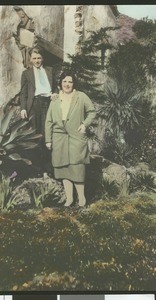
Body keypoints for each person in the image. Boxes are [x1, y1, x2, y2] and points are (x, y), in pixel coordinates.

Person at [45, 71, 96, 207]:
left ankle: (82, 199)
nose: (67, 84)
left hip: (76, 136)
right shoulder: (55, 100)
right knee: (63, 169)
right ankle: (69, 199)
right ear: (60, 83)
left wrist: (84, 124)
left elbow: (92, 112)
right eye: (64, 81)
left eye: (70, 81)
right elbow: (49, 121)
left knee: (77, 168)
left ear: (74, 83)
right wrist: (48, 140)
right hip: (59, 137)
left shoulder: (81, 96)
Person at [20, 47, 53, 175]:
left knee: (46, 134)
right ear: (30, 59)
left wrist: (54, 94)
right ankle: (36, 168)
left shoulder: (50, 71)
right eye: (34, 58)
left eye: (39, 58)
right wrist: (23, 108)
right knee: (34, 135)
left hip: (47, 104)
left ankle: (47, 167)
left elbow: (56, 87)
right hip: (33, 105)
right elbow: (23, 93)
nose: (37, 60)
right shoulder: (26, 73)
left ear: (42, 58)